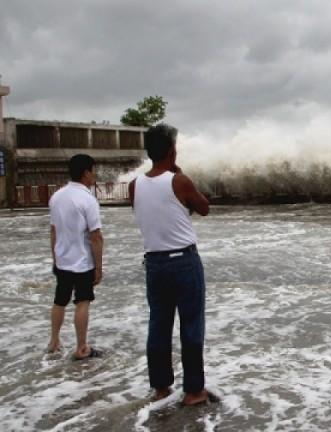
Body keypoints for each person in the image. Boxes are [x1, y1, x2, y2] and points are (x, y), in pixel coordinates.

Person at [129, 124, 210, 405]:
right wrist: (179, 175)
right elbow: (204, 208)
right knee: (191, 325)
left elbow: (156, 211)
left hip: (154, 263)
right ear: (171, 150)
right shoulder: (180, 181)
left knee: (159, 324)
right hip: (183, 262)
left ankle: (161, 387)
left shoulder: (134, 185)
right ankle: (194, 391)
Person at [48, 154, 104, 360]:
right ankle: (82, 347)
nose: (94, 175)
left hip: (62, 259)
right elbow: (96, 236)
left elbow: (53, 231)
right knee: (82, 301)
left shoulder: (57, 196)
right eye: (93, 171)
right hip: (82, 262)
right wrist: (98, 267)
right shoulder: (88, 199)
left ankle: (54, 341)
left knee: (59, 301)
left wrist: (55, 258)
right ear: (86, 173)